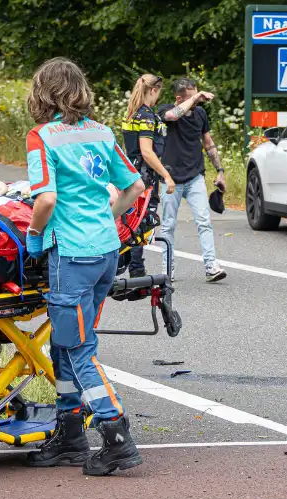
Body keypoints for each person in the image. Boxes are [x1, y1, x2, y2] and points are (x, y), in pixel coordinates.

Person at [21, 57, 147, 476]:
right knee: (64, 343)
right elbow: (134, 186)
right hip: (106, 252)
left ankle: (115, 434)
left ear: (42, 93)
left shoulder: (42, 137)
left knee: (76, 348)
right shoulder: (101, 132)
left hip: (71, 257)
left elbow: (46, 200)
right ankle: (70, 432)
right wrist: (105, 219)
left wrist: (34, 241)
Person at [157, 77, 227, 283]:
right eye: (193, 98)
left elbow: (208, 143)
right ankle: (167, 269)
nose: (197, 103)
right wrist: (195, 97)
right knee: (168, 225)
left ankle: (211, 266)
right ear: (179, 98)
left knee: (204, 221)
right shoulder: (165, 109)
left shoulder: (200, 113)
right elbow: (172, 116)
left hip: (195, 175)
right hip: (170, 177)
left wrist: (220, 170)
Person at [119, 73, 175, 278]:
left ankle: (131, 266)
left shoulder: (132, 113)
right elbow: (147, 151)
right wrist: (166, 175)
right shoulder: (147, 116)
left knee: (130, 218)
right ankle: (136, 269)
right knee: (142, 220)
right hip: (145, 176)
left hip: (130, 173)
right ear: (153, 90)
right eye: (159, 92)